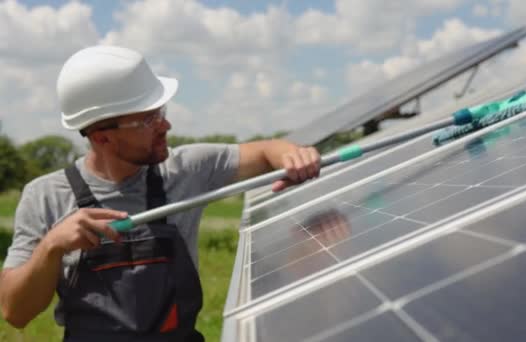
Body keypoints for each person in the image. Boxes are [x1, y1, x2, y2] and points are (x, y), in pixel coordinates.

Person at [0, 45, 321, 341]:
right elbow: (15, 312)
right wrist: (52, 246)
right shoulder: (44, 196)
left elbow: (267, 151)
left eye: (161, 112)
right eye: (147, 120)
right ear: (102, 137)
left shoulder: (186, 169)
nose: (165, 126)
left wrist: (292, 155)